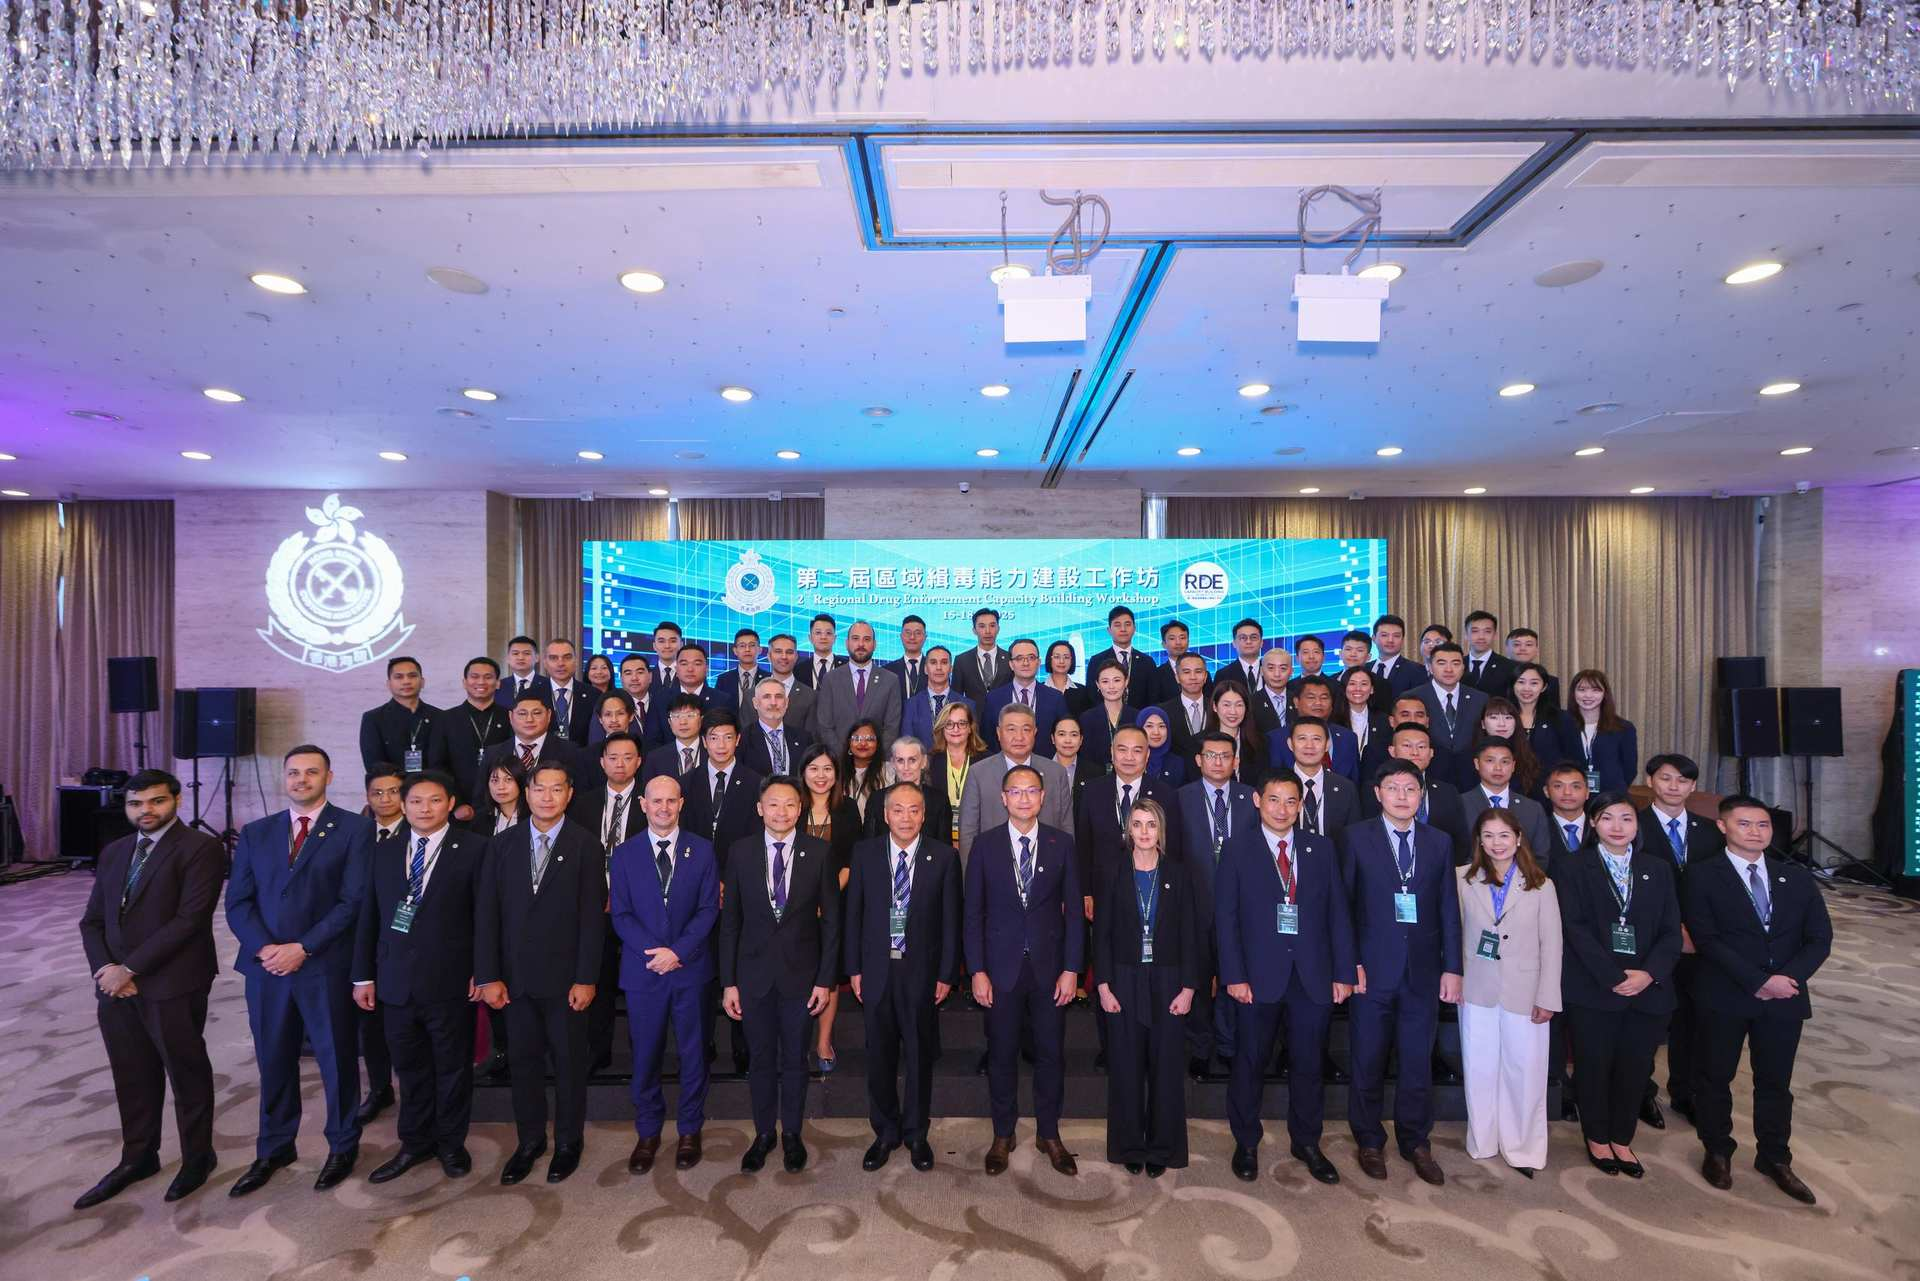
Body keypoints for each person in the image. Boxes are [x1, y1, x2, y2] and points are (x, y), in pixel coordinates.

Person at [74, 770, 227, 1209]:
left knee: (185, 1071)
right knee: (132, 1073)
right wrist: (106, 969)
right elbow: (92, 921)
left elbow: (189, 921)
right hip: (115, 987)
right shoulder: (115, 851)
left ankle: (198, 1157)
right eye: (136, 804)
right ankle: (138, 1157)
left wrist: (130, 968)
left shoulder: (201, 848)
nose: (146, 811)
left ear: (176, 800)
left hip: (173, 982)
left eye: (156, 801)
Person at [225, 745, 371, 1196]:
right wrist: (267, 948)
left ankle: (342, 1145)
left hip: (324, 965)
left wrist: (303, 947)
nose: (301, 780)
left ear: (329, 777)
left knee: (336, 1059)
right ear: (283, 778)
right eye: (293, 773)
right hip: (267, 968)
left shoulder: (355, 829)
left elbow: (353, 901)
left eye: (311, 772)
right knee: (273, 1058)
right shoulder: (256, 832)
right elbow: (238, 902)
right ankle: (274, 1147)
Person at [1687, 795, 1833, 1204]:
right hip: (1725, 992)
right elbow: (1706, 938)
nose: (1755, 832)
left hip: (1785, 996)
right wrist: (1758, 980)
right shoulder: (1701, 875)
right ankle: (1717, 1150)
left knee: (1775, 1082)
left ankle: (1775, 1156)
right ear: (1723, 827)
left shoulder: (1795, 877)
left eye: (1763, 825)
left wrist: (1787, 979)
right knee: (1714, 1076)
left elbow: (1819, 938)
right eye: (1745, 824)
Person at [1216, 774, 1354, 1185]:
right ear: (1257, 800)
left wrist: (1343, 972)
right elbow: (1225, 918)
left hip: (1312, 975)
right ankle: (1246, 1141)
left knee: (1309, 1064)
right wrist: (1234, 975)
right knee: (1250, 1061)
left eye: (1290, 801)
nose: (1281, 809)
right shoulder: (1237, 849)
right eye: (1273, 799)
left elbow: (1338, 913)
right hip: (1256, 977)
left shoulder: (1321, 849)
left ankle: (1307, 1142)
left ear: (1300, 806)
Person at [351, 771, 488, 1183]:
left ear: (450, 804)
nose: (424, 809)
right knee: (409, 1068)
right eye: (415, 801)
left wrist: (483, 970)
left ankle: (451, 1143)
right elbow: (369, 915)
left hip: (451, 979)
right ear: (403, 805)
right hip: (395, 980)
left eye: (434, 800)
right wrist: (363, 976)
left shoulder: (475, 849)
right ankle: (414, 1142)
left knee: (452, 1068)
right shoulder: (384, 851)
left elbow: (486, 917)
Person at [474, 761, 604, 1185]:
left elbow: (592, 920)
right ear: (526, 793)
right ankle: (529, 1141)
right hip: (514, 982)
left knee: (569, 1065)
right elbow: (487, 915)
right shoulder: (501, 845)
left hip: (567, 982)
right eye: (539, 789)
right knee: (524, 1064)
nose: (547, 797)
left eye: (556, 789)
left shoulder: (586, 845)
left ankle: (568, 1143)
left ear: (569, 794)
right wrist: (488, 975)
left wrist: (586, 977)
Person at [1342, 759, 1464, 1185]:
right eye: (1393, 788)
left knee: (1416, 1062)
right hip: (1371, 971)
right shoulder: (1356, 838)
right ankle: (1369, 1139)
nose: (1402, 796)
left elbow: (1448, 908)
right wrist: (1350, 964)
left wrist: (1453, 968)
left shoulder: (1439, 842)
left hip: (1422, 973)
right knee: (1367, 1058)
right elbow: (1344, 907)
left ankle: (1416, 1141)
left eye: (1411, 789)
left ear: (1421, 795)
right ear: (1378, 794)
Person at [1553, 793, 1681, 1179]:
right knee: (1593, 1064)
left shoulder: (1657, 868)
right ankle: (1597, 1137)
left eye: (1626, 818)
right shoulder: (1572, 866)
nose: (1617, 826)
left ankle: (1622, 1138)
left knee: (1636, 1066)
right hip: (1594, 986)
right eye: (1607, 818)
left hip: (1648, 988)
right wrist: (1613, 976)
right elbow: (1573, 927)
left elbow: (1670, 931)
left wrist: (1648, 974)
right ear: (1593, 823)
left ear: (1637, 825)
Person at [719, 775, 842, 1175]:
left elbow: (832, 923)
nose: (781, 812)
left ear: (800, 808)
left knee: (794, 1058)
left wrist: (825, 980)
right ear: (760, 809)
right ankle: (762, 1134)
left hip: (801, 978)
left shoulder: (819, 852)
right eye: (773, 804)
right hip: (753, 977)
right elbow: (730, 923)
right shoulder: (740, 852)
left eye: (790, 804)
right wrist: (729, 982)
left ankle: (791, 1133)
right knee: (760, 1058)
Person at [964, 764, 1083, 1177]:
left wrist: (1072, 968)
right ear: (1003, 798)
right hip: (1000, 970)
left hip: (1050, 970)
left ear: (1043, 797)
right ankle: (1003, 1134)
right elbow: (973, 914)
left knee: (1050, 1054)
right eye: (1016, 791)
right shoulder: (984, 845)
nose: (1024, 798)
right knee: (1001, 1054)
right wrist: (977, 970)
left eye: (1031, 791)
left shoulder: (1061, 844)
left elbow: (1073, 914)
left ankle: (1049, 1134)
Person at [845, 782, 962, 1172]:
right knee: (879, 1056)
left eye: (914, 810)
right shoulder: (865, 854)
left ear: (924, 815)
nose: (906, 818)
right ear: (885, 814)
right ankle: (885, 1132)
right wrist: (854, 968)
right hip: (876, 971)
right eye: (898, 810)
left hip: (922, 974)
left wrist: (947, 973)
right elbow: (853, 915)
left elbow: (951, 922)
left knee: (918, 1055)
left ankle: (916, 1133)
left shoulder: (943, 857)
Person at [612, 774, 720, 1174]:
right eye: (655, 801)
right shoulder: (624, 854)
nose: (663, 808)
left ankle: (690, 1129)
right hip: (644, 973)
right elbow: (620, 913)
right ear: (643, 805)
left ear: (681, 803)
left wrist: (677, 951)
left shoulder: (702, 850)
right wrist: (655, 953)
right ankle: (648, 1132)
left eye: (670, 801)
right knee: (645, 1055)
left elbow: (708, 909)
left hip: (689, 970)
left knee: (693, 1054)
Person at [1096, 798, 1200, 1177]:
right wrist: (1103, 986)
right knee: (1125, 1066)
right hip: (1123, 978)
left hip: (1169, 979)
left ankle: (1162, 1148)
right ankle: (1129, 1146)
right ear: (1128, 830)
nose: (1144, 832)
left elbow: (1190, 934)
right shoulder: (1112, 871)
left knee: (1166, 1068)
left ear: (1161, 831)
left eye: (1151, 824)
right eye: (1137, 824)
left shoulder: (1179, 874)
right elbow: (1101, 934)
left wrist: (1189, 988)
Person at [1456, 808, 1562, 1177]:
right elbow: (1456, 933)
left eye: (1504, 835)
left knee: (1525, 1071)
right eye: (1488, 836)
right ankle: (1483, 1140)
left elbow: (1552, 945)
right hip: (1477, 988)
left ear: (1518, 838)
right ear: (1479, 841)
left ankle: (1523, 1147)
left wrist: (1548, 996)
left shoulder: (1541, 884)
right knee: (1479, 1068)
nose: (1496, 843)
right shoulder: (1463, 880)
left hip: (1525, 991)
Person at [1635, 751, 1726, 1128]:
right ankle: (1641, 1091)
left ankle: (1684, 1092)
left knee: (1692, 1017)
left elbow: (1720, 885)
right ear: (1650, 781)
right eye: (1666, 778)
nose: (1674, 786)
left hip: (1699, 940)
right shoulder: (1632, 824)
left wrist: (1698, 931)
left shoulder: (1711, 830)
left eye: (1682, 780)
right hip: (1652, 938)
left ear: (1692, 786)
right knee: (1648, 1020)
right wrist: (1673, 930)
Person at [1177, 732, 1258, 1079]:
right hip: (1194, 905)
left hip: (1240, 908)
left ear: (1236, 761)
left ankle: (1227, 1045)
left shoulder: (1251, 798)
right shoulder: (1180, 798)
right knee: (1195, 978)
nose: (1218, 762)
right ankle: (1199, 1046)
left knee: (1232, 977)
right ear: (1198, 760)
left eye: (1225, 756)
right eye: (1211, 755)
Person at [571, 731, 646, 1073]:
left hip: (639, 908)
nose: (620, 764)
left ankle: (642, 1052)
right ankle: (597, 1051)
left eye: (628, 757)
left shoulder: (650, 803)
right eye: (613, 757)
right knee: (596, 978)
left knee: (640, 984)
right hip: (593, 906)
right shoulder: (583, 804)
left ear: (639, 762)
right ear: (602, 762)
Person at [797, 744, 861, 1073]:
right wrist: (806, 900)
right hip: (793, 906)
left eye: (827, 769)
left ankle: (824, 1041)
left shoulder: (847, 808)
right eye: (814, 769)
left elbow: (852, 859)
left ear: (836, 774)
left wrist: (825, 898)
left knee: (829, 973)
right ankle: (795, 1040)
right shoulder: (792, 805)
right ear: (803, 772)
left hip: (835, 903)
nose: (821, 776)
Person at [354, 765, 407, 1124]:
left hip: (404, 944)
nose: (385, 799)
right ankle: (379, 1088)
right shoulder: (356, 834)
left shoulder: (420, 831)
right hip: (363, 939)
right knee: (369, 1023)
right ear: (368, 797)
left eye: (393, 791)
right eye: (377, 793)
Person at [958, 704, 1074, 862]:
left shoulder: (1056, 773)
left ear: (1035, 732)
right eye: (1011, 729)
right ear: (999, 733)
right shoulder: (978, 773)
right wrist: (971, 873)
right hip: (994, 866)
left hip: (1047, 866)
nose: (1019, 737)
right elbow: (968, 831)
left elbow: (1066, 828)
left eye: (1026, 729)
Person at [1360, 722, 1470, 863]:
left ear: (1431, 753)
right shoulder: (1373, 790)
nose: (1415, 752)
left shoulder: (1448, 791)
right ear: (1392, 751)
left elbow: (1460, 842)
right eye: (1407, 746)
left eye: (1421, 747)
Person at [475, 690, 589, 811]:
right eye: (522, 714)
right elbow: (481, 799)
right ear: (511, 717)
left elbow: (580, 798)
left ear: (549, 715)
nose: (529, 719)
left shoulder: (570, 751)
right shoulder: (493, 753)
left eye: (537, 713)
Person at [427, 658, 510, 822]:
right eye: (474, 676)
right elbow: (437, 765)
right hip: (459, 809)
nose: (481, 682)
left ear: (498, 683)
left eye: (488, 677)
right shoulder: (445, 719)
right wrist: (456, 803)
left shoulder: (510, 716)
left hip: (503, 805)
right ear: (464, 682)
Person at [812, 621, 903, 753]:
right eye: (855, 639)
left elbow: (892, 727)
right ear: (847, 643)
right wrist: (843, 757)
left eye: (867, 639)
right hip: (839, 760)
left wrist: (874, 756)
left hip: (877, 761)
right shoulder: (830, 679)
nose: (861, 644)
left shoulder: (890, 680)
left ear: (874, 644)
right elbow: (824, 726)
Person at [1459, 738, 1553, 858]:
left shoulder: (1533, 808)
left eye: (1504, 762)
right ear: (1477, 764)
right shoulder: (1459, 804)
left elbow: (1541, 857)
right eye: (1490, 761)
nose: (1498, 768)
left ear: (1513, 766)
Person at [1555, 669, 1639, 793]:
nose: (1588, 695)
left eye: (1595, 690)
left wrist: (1614, 790)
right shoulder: (1561, 725)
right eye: (1582, 690)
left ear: (1605, 694)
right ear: (1573, 693)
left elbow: (1630, 768)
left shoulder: (1623, 728)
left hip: (1611, 796)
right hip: (1571, 795)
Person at [1274, 717, 1358, 838]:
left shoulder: (1346, 788)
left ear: (1327, 745)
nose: (1309, 746)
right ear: (1290, 744)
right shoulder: (1276, 786)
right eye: (1302, 738)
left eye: (1316, 739)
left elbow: (1354, 836)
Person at [981, 638, 1067, 754]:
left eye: (1031, 658)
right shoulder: (993, 698)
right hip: (1004, 763)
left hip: (1045, 763)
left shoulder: (1055, 698)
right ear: (1011, 664)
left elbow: (1062, 736)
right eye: (1019, 658)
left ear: (1038, 662)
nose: (1025, 663)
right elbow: (987, 738)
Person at [865, 735, 953, 845]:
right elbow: (868, 846)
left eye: (912, 760)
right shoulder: (877, 799)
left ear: (924, 761)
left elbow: (945, 848)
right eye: (900, 760)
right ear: (893, 763)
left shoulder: (939, 800)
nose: (906, 767)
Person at [358, 656, 439, 774]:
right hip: (392, 784)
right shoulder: (373, 719)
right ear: (388, 684)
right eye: (399, 677)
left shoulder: (440, 717)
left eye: (412, 676)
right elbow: (374, 766)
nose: (406, 681)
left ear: (422, 682)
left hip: (433, 784)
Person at [1417, 642, 1487, 758]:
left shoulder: (1480, 699)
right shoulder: (1414, 698)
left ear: (1463, 668)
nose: (1449, 669)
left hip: (1470, 765)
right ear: (1430, 667)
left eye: (1455, 664)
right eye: (1441, 663)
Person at [934, 700, 987, 849]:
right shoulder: (931, 762)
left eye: (962, 723)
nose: (955, 729)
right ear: (942, 728)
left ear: (970, 728)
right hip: (941, 840)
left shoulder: (986, 760)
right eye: (949, 724)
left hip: (977, 838)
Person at [1085, 605, 1158, 709]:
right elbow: (1092, 696)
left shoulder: (1147, 662)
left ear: (1134, 628)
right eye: (1117, 625)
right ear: (1109, 630)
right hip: (1105, 717)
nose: (1123, 629)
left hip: (1139, 717)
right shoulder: (1096, 661)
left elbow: (1153, 697)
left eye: (1127, 624)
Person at [1467, 698, 1544, 796]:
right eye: (1494, 717)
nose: (1502, 724)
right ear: (1483, 724)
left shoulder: (1529, 757)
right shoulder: (1467, 757)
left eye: (1508, 718)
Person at [738, 675, 810, 779]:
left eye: (779, 696)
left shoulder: (804, 738)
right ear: (755, 703)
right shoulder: (743, 739)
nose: (773, 703)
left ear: (786, 703)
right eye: (767, 697)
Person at [900, 645, 972, 749]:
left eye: (944, 662)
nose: (939, 667)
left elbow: (972, 744)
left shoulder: (968, 705)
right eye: (933, 662)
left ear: (951, 669)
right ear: (925, 669)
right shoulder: (910, 705)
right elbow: (906, 746)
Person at [1078, 663, 1136, 775]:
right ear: (1098, 685)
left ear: (1126, 682)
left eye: (1117, 680)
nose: (1111, 686)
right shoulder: (1086, 718)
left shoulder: (1137, 717)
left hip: (1130, 777)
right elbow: (1085, 758)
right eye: (1105, 681)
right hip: (1095, 779)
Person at [1509, 662, 1563, 777]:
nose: (1526, 688)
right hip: (1510, 781)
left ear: (1544, 687)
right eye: (1521, 682)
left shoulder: (1559, 718)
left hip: (1547, 782)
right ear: (1513, 685)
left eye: (1534, 683)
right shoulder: (1503, 716)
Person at [1206, 682, 1263, 789]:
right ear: (1214, 706)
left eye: (1239, 705)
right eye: (1226, 705)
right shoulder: (1199, 743)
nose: (1233, 711)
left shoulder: (1260, 743)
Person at [1158, 652, 1213, 764]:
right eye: (1186, 672)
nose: (1193, 677)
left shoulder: (1217, 708)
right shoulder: (1163, 712)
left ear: (1205, 677)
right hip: (1176, 772)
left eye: (1198, 671)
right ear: (1177, 677)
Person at [641, 693, 708, 784]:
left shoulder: (713, 752)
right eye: (676, 716)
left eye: (690, 715)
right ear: (669, 722)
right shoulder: (655, 758)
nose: (683, 722)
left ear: (701, 719)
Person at [542, 638, 596, 746]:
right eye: (554, 658)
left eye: (567, 657)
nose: (561, 663)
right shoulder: (530, 695)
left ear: (576, 661)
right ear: (545, 663)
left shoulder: (594, 695)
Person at [951, 607, 1011, 704]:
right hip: (973, 713)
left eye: (992, 626)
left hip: (1004, 713)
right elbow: (956, 696)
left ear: (998, 629)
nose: (988, 631)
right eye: (982, 626)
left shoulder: (1010, 658)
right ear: (974, 630)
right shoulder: (961, 660)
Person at [764, 633, 817, 735]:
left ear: (796, 657)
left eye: (789, 652)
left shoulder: (811, 697)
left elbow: (812, 737)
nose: (784, 657)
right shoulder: (752, 695)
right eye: (778, 651)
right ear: (769, 656)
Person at [1460, 611, 1516, 699]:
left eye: (1487, 631)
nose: (1481, 637)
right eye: (1475, 631)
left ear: (1495, 635)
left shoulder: (1509, 667)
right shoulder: (1457, 664)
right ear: (1466, 635)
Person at [1542, 763, 1591, 867]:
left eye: (1576, 786)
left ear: (1587, 792)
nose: (1567, 792)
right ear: (1546, 791)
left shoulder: (1599, 827)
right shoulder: (1538, 829)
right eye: (1558, 786)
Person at [712, 627, 767, 714]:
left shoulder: (769, 678)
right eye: (742, 646)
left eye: (752, 645)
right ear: (735, 651)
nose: (747, 649)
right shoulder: (723, 679)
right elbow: (718, 710)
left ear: (760, 649)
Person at [1505, 628, 1562, 712]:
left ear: (1536, 649)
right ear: (1507, 648)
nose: (1523, 648)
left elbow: (1554, 713)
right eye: (1516, 644)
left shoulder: (1551, 681)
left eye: (1528, 645)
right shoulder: (1496, 677)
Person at [1369, 614, 1425, 697]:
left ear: (1402, 640)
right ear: (1374, 638)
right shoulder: (1364, 668)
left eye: (1396, 636)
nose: (1390, 640)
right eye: (1384, 635)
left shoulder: (1416, 671)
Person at [1150, 619, 1205, 704]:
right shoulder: (1156, 675)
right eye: (1172, 638)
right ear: (1163, 644)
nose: (1178, 642)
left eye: (1182, 638)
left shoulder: (1201, 672)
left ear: (1188, 642)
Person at [1338, 665, 1380, 773]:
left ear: (1372, 689)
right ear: (1344, 688)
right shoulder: (1334, 720)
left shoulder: (1384, 721)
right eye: (1352, 684)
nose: (1358, 689)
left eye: (1364, 684)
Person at [841, 720, 885, 822]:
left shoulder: (890, 771)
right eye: (857, 738)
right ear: (849, 743)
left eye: (869, 739)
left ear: (877, 743)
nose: (863, 743)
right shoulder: (836, 772)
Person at [618, 653, 664, 749]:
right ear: (621, 678)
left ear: (650, 677)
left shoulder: (663, 703)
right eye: (628, 673)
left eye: (640, 672)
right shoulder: (613, 706)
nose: (634, 678)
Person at [880, 613, 931, 699]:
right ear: (901, 636)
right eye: (908, 633)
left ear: (925, 637)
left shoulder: (934, 669)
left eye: (917, 633)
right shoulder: (887, 671)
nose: (912, 637)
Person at [472, 758, 528, 836]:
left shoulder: (533, 818)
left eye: (508, 779)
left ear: (520, 781)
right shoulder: (479, 820)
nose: (501, 787)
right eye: (495, 780)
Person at [1248, 648, 1294, 739]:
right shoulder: (1250, 702)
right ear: (1261, 671)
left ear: (1291, 672)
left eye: (1283, 668)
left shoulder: (1298, 700)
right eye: (1271, 668)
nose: (1277, 674)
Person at [1136, 706, 1188, 787]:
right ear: (1139, 729)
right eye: (1149, 726)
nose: (1156, 732)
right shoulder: (1130, 759)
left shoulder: (1177, 763)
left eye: (1161, 726)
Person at [1215, 617, 1267, 694]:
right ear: (1234, 643)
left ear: (1261, 642)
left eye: (1253, 637)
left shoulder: (1271, 670)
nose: (1248, 641)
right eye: (1243, 638)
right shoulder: (1222, 675)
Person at [1042, 639, 1090, 719]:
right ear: (1049, 660)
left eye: (1066, 657)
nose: (1062, 661)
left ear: (1072, 660)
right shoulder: (1039, 690)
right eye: (1057, 657)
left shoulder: (1083, 691)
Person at [795, 613, 845, 689]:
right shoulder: (798, 669)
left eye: (828, 633)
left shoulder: (847, 666)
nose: (823, 637)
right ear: (810, 638)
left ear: (834, 638)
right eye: (818, 632)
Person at [496, 635, 542, 706]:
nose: (521, 658)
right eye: (515, 653)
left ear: (537, 658)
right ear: (508, 658)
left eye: (526, 653)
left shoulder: (549, 684)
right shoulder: (498, 686)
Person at [649, 620, 685, 692]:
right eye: (661, 641)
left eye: (673, 641)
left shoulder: (690, 674)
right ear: (654, 646)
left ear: (681, 645)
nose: (667, 646)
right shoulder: (647, 676)